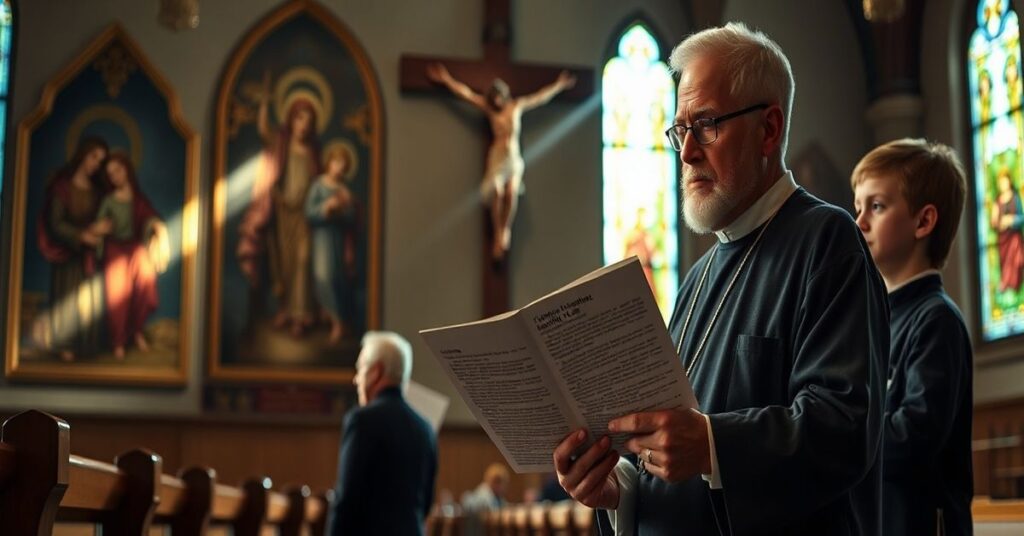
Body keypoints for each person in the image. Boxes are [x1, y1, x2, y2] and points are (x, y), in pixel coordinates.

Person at [552, 23, 889, 535]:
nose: (686, 152)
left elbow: (843, 427)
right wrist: (615, 489)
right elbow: (668, 451)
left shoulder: (826, 239)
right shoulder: (696, 276)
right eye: (679, 130)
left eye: (705, 125)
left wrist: (712, 444)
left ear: (769, 130)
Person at [851, 139, 974, 536]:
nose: (860, 223)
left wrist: (837, 436)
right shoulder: (875, 317)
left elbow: (915, 435)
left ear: (923, 222)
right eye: (858, 208)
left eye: (877, 206)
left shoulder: (937, 321)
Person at [426, 63, 576, 260]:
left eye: (499, 99)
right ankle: (498, 231)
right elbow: (467, 94)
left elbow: (540, 98)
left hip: (512, 158)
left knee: (511, 191)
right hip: (497, 157)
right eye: (494, 100)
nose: (497, 102)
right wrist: (447, 80)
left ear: (505, 96)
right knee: (496, 190)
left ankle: (505, 231)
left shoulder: (516, 106)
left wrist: (558, 85)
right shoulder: (489, 110)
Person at [327, 331, 437, 536]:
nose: (356, 379)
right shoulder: (425, 428)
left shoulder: (362, 420)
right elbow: (426, 503)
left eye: (360, 369)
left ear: (376, 371)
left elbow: (347, 500)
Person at [238, 73, 321, 337]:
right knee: (283, 266)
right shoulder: (281, 142)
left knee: (303, 261)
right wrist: (264, 102)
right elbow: (263, 129)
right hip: (282, 213)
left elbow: (318, 183)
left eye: (308, 120)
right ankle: (285, 309)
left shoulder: (313, 152)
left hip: (305, 216)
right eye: (299, 118)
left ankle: (302, 315)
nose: (303, 125)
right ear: (291, 119)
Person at [36, 136, 111, 362]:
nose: (96, 164)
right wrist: (81, 236)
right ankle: (65, 345)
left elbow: (102, 217)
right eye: (93, 157)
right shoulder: (62, 187)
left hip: (88, 256)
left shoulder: (97, 191)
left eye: (100, 160)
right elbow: (54, 223)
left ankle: (87, 346)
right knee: (67, 297)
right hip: (68, 255)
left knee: (88, 300)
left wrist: (100, 228)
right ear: (83, 154)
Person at [93, 152, 170, 360]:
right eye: (110, 174)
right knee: (117, 295)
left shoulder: (137, 198)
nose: (115, 176)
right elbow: (98, 225)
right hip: (114, 250)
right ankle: (118, 341)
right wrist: (101, 228)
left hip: (134, 248)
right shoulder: (109, 200)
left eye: (118, 170)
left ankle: (136, 331)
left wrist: (157, 226)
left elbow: (148, 217)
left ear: (127, 169)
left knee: (146, 286)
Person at [305, 142, 358, 344]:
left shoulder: (343, 190)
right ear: (330, 162)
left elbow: (351, 218)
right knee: (322, 277)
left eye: (343, 163)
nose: (339, 167)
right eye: (337, 161)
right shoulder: (319, 185)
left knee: (338, 280)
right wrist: (326, 208)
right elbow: (309, 212)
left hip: (338, 240)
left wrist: (343, 208)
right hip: (322, 239)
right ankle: (336, 321)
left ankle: (338, 320)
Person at [991, 166, 1024, 292]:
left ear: (1009, 181)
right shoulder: (997, 201)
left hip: (1015, 238)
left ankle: (1017, 287)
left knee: (1015, 263)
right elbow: (994, 224)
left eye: (1005, 181)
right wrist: (998, 222)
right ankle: (1006, 285)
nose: (1003, 184)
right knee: (1005, 266)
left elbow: (1022, 217)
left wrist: (1011, 220)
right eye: (1001, 182)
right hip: (1003, 240)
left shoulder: (1015, 198)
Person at [460, 462, 510, 536]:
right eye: (502, 483)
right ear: (495, 482)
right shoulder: (483, 497)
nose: (504, 488)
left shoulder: (496, 497)